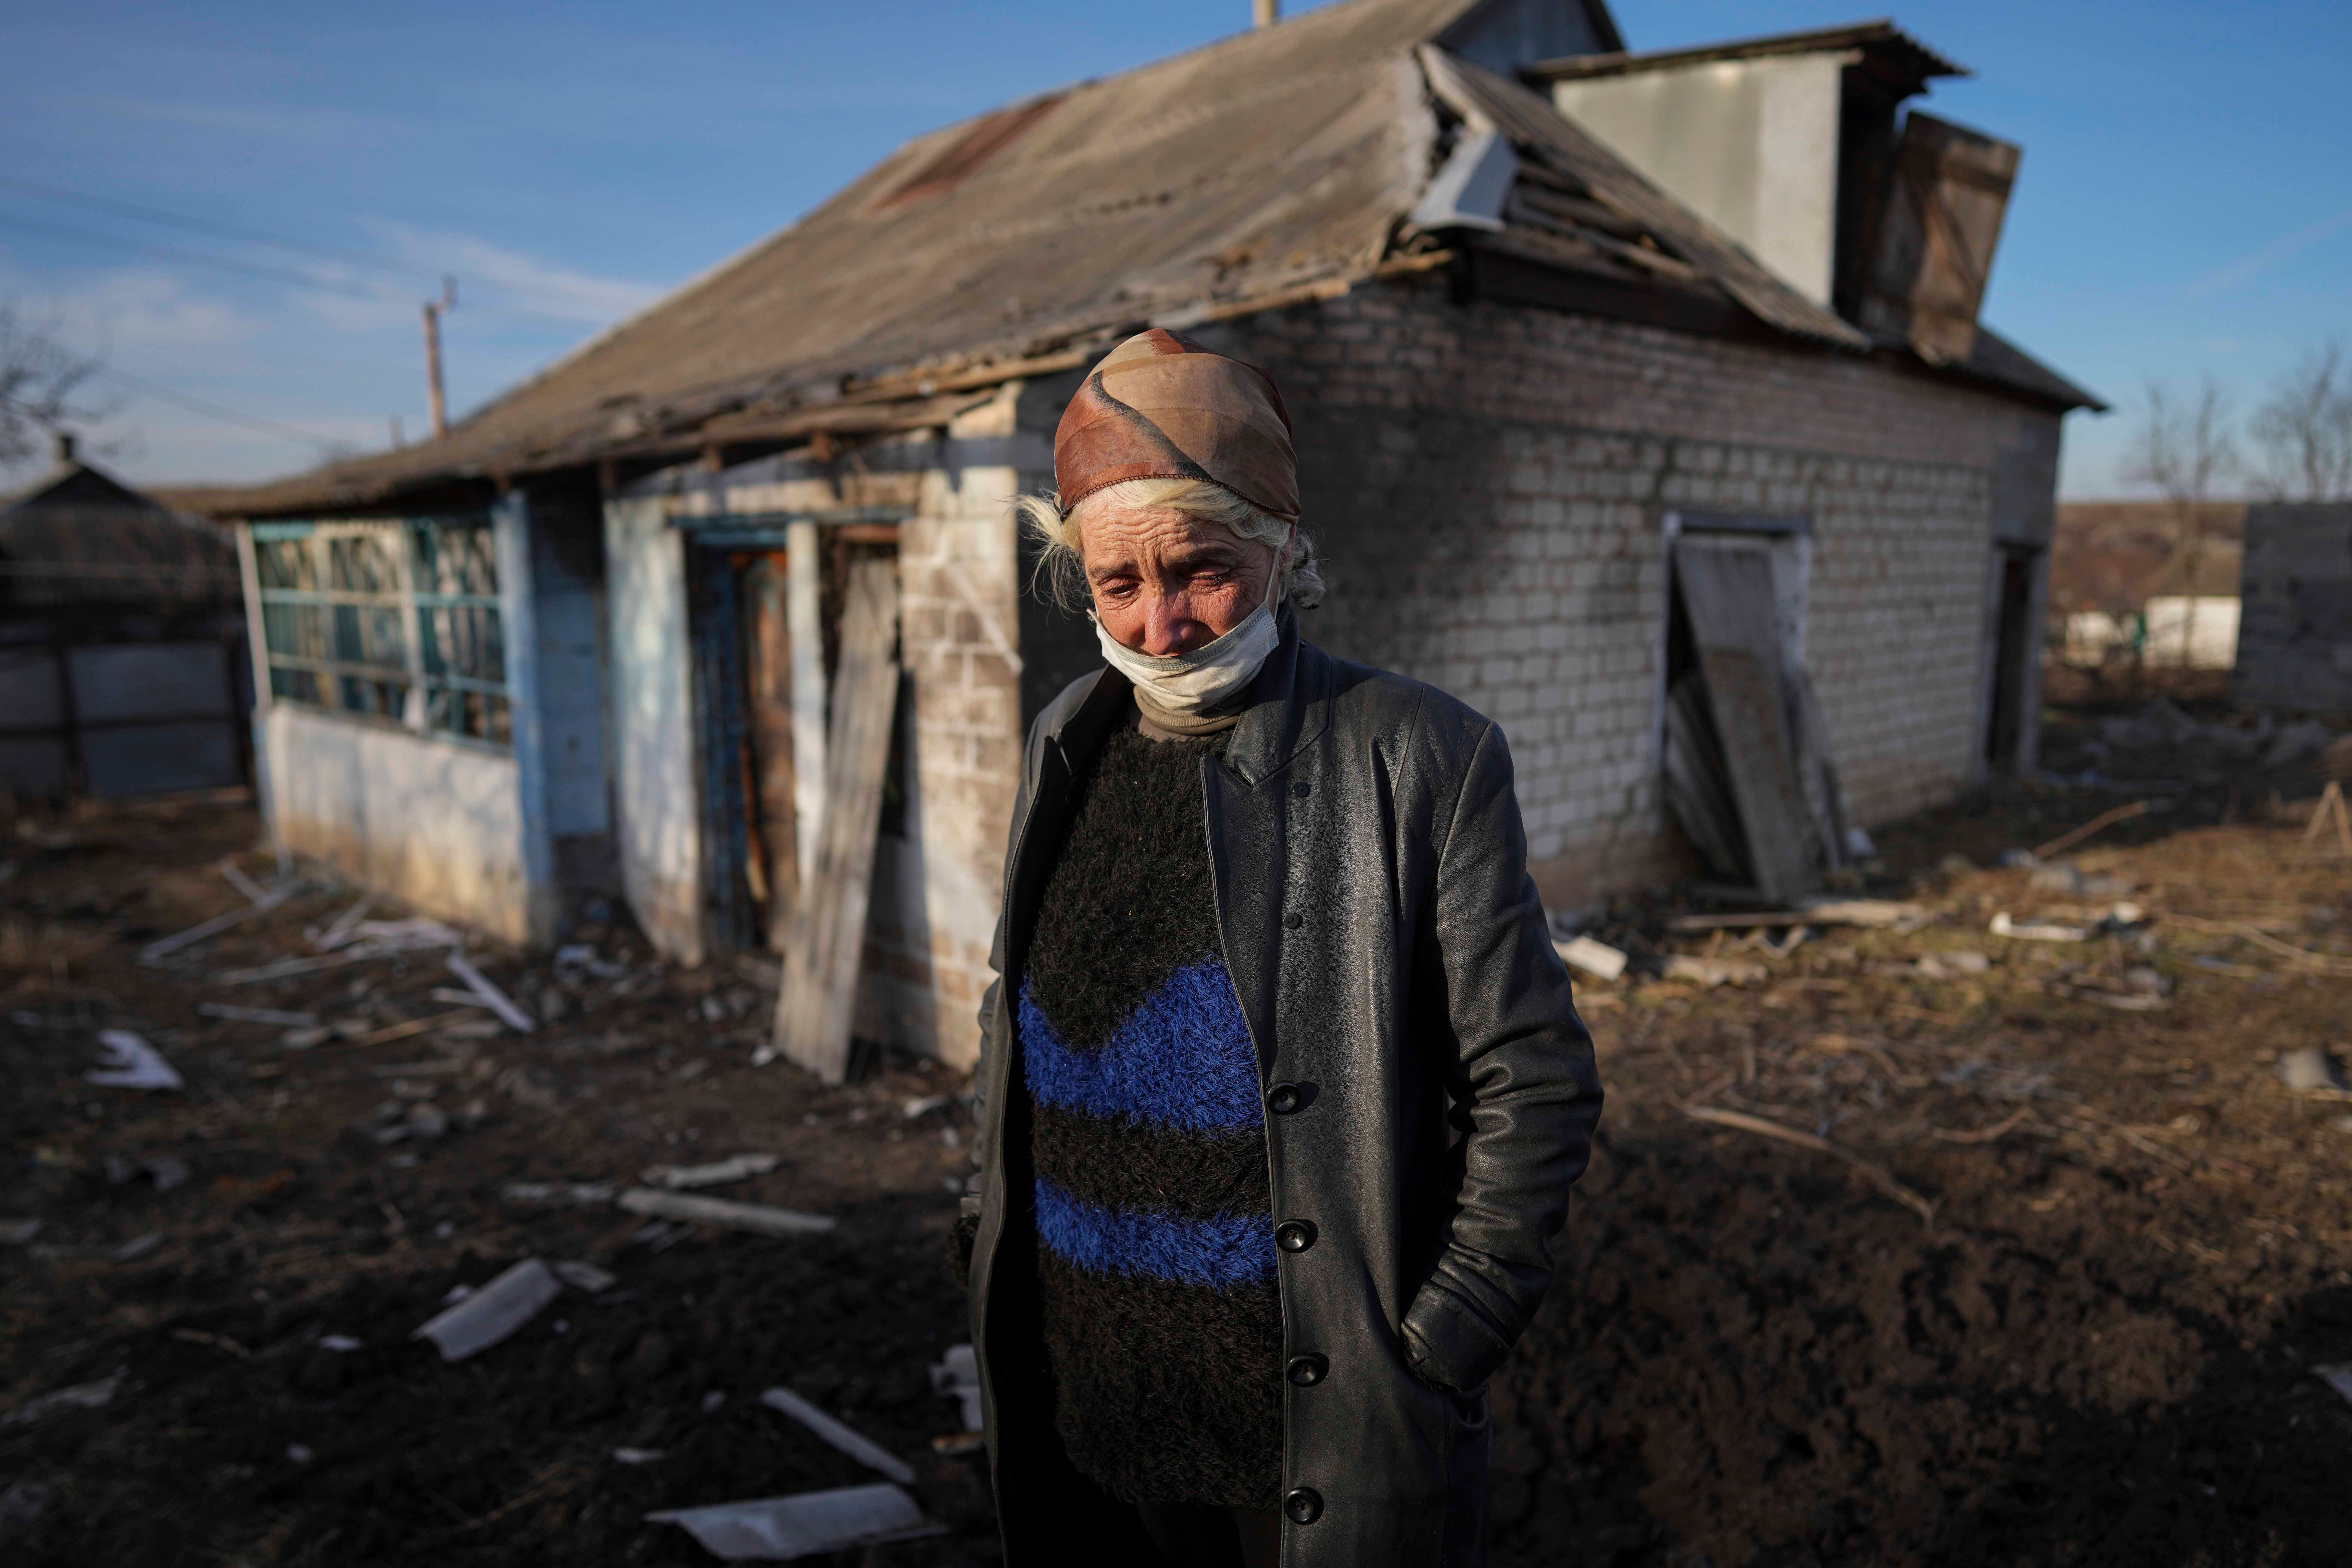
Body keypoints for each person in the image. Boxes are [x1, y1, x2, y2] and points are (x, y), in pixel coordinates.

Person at [957, 328, 1604, 1568]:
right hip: (1095, 1403)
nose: (1160, 626)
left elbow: (1537, 1082)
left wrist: (1440, 1339)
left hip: (1312, 1432)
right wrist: (981, 1233)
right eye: (1118, 585)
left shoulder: (1419, 758)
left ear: (1284, 547)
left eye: (1205, 571)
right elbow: (1012, 1009)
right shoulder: (1064, 743)